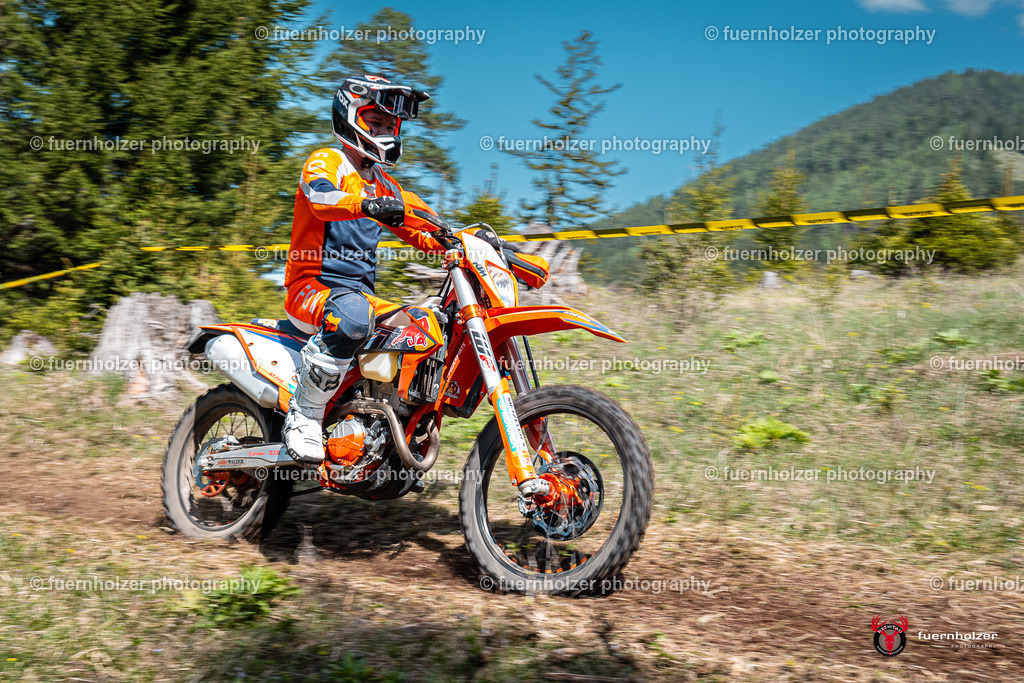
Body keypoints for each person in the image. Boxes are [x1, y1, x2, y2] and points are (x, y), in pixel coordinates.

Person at [281, 74, 447, 465]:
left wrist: (463, 241)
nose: (386, 132)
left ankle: (385, 430)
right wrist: (364, 205)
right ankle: (304, 415)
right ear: (351, 117)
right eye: (376, 123)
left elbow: (424, 227)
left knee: (425, 328)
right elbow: (320, 196)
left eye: (391, 126)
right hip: (311, 287)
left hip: (359, 296)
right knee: (354, 317)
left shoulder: (385, 185)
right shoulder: (328, 160)